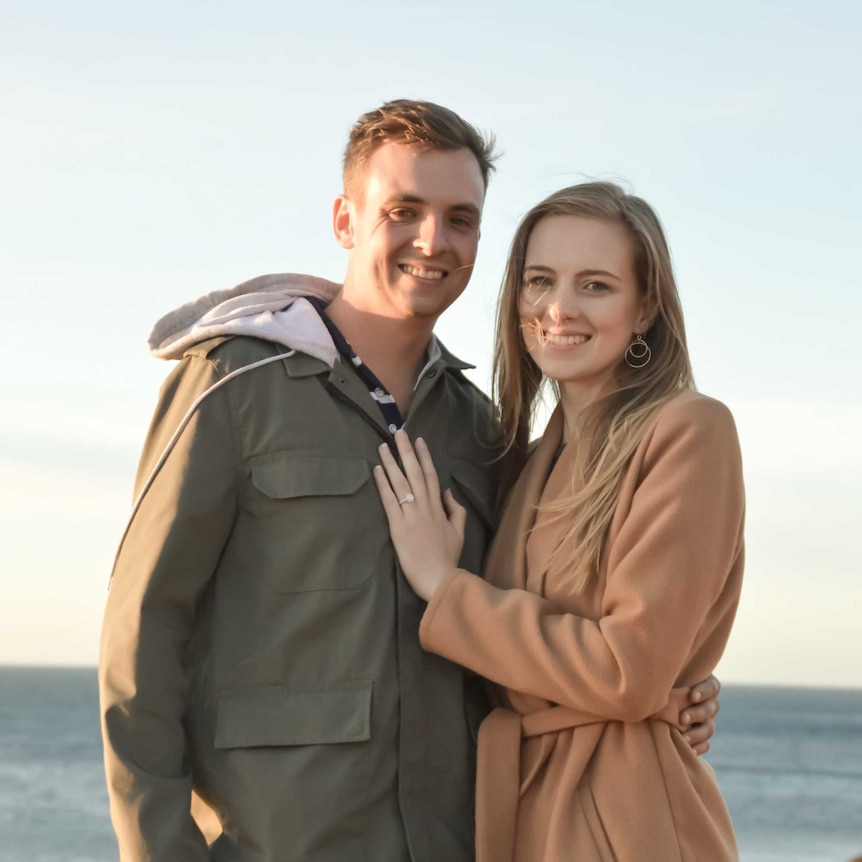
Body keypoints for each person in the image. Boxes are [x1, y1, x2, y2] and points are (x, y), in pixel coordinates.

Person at [99, 103, 721, 862]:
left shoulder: (484, 430)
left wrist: (673, 690)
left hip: (462, 840)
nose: (433, 241)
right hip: (279, 843)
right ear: (346, 220)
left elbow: (550, 621)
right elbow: (145, 633)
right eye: (404, 210)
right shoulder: (234, 383)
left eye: (460, 218)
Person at [374, 182, 744, 861]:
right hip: (518, 815)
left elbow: (627, 672)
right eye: (540, 280)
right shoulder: (524, 457)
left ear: (646, 308)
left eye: (596, 285)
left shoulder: (689, 429)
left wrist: (445, 586)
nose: (559, 308)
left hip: (628, 822)